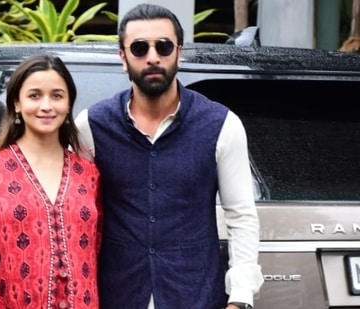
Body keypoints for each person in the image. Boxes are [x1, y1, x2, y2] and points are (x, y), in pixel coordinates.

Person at [74, 3, 263, 309]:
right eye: (139, 48)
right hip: (116, 295)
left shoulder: (221, 125)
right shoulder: (91, 126)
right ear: (123, 58)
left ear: (179, 52)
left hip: (196, 295)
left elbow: (241, 216)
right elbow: (75, 216)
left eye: (163, 46)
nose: (152, 57)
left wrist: (240, 299)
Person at [0, 54, 102, 309]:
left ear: (68, 104)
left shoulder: (87, 174)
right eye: (34, 96)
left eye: (57, 96)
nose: (47, 106)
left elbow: (96, 251)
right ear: (17, 104)